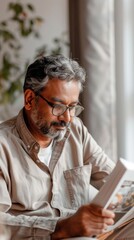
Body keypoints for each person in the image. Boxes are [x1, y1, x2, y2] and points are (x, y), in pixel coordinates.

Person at [0, 55, 133, 240]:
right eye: (58, 106)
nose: (67, 118)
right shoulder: (2, 146)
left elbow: (114, 181)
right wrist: (61, 228)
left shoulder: (75, 131)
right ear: (30, 99)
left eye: (72, 107)